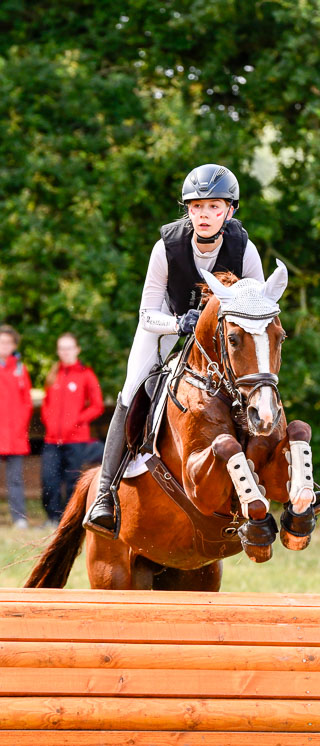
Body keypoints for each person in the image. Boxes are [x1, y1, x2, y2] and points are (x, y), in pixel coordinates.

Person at [84, 163, 265, 536]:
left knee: (258, 381)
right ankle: (105, 492)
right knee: (132, 386)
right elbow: (147, 313)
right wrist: (178, 323)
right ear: (188, 210)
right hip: (165, 326)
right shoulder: (166, 246)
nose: (204, 215)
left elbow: (258, 310)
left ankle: (279, 471)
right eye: (197, 207)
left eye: (214, 207)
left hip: (218, 336)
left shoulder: (244, 247)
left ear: (229, 210)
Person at [41, 333, 104, 523]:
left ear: (77, 349)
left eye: (69, 348)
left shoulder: (86, 374)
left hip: (76, 439)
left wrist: (77, 421)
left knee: (71, 482)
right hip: (52, 440)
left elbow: (97, 406)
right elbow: (46, 404)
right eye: (62, 348)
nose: (65, 352)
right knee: (49, 481)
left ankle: (67, 519)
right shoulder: (54, 375)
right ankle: (51, 518)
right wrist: (49, 422)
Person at [0, 325, 32, 529]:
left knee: (15, 481)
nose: (4, 346)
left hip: (15, 436)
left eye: (7, 342)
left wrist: (20, 427)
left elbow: (26, 403)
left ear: (14, 345)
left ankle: (19, 518)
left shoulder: (21, 370)